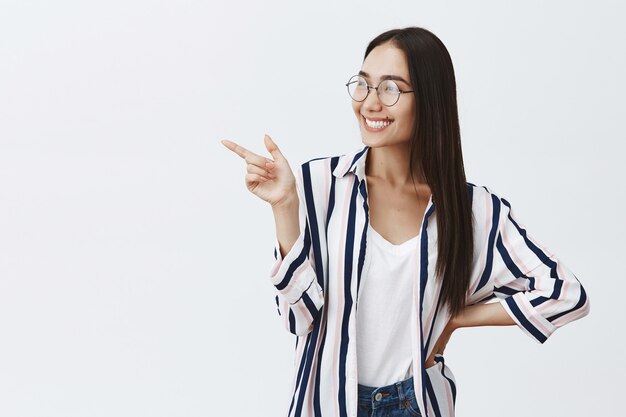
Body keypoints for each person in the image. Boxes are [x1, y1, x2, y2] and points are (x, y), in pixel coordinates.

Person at [221, 26, 590, 417]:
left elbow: (565, 294)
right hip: (328, 404)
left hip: (416, 404)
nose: (370, 103)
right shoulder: (317, 187)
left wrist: (457, 318)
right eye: (362, 85)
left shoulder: (473, 210)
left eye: (391, 88)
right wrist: (283, 207)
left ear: (429, 100)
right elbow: (299, 318)